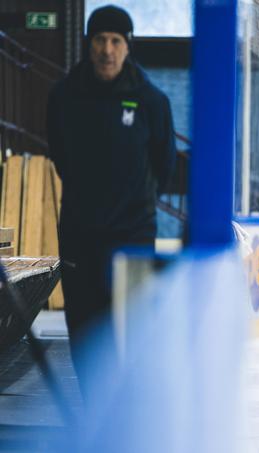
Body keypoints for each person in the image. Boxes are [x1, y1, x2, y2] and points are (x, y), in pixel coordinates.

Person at [46, 5, 176, 398]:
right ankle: (94, 411)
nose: (107, 49)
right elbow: (60, 155)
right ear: (89, 43)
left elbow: (164, 163)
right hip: (80, 235)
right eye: (100, 39)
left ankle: (131, 415)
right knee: (84, 329)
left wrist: (134, 200)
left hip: (133, 234)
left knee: (133, 331)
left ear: (127, 46)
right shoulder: (64, 95)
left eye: (115, 41)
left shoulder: (151, 101)